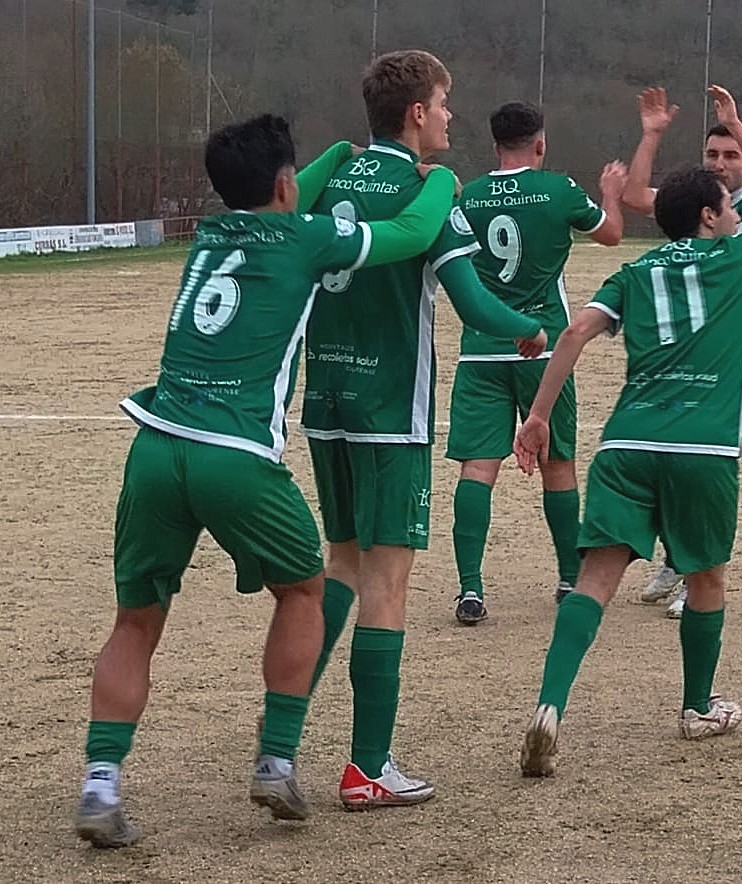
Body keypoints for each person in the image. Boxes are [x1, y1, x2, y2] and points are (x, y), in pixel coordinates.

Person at [73, 113, 459, 847]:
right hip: (236, 453)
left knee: (135, 620)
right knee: (306, 589)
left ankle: (100, 781)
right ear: (285, 184)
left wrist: (324, 163)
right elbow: (410, 233)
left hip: (156, 443)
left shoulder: (212, 234)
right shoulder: (306, 237)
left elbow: (281, 192)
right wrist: (439, 180)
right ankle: (277, 758)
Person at [513, 84, 742, 777]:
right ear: (716, 216)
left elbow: (572, 332)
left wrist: (537, 416)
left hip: (626, 446)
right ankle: (696, 707)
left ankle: (550, 704)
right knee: (707, 580)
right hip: (702, 450)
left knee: (596, 579)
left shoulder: (633, 271)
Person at [299, 51, 547, 809]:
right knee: (388, 582)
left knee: (338, 566)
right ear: (415, 113)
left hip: (326, 404)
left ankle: (278, 743)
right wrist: (531, 331)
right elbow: (476, 309)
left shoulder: (332, 176)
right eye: (442, 103)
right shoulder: (429, 192)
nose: (448, 115)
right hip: (387, 411)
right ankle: (368, 767)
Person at [446, 101, 627, 625]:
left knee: (478, 468)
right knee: (559, 464)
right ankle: (570, 578)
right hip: (545, 349)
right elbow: (611, 233)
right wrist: (611, 195)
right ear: (540, 143)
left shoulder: (470, 195)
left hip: (481, 348)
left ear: (495, 144)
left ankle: (470, 588)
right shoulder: (560, 190)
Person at [622, 85, 742, 619]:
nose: (720, 162)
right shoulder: (694, 204)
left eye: (730, 154)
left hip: (731, 360)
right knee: (674, 458)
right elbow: (634, 196)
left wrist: (736, 124)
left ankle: (700, 577)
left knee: (714, 465)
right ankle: (677, 559)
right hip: (679, 359)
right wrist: (651, 136)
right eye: (713, 154)